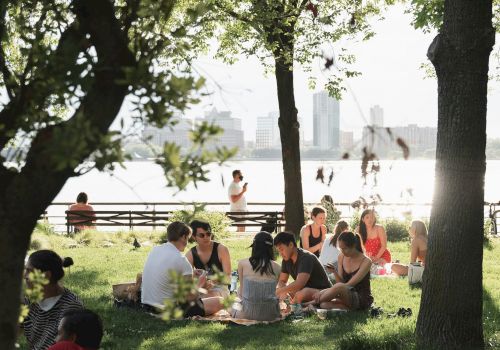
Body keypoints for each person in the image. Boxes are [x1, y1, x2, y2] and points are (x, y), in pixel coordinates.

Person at [141, 221, 223, 317]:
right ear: (184, 237)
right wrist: (201, 285)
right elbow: (189, 298)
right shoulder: (181, 260)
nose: (187, 242)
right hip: (168, 311)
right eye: (187, 238)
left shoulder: (155, 250)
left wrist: (190, 273)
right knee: (220, 301)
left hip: (147, 306)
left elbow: (166, 272)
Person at [22, 250, 84, 350]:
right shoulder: (29, 300)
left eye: (29, 271)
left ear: (46, 275)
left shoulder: (71, 308)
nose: (25, 276)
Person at [308, 231, 373, 311]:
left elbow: (348, 285)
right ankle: (348, 310)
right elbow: (340, 283)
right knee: (324, 305)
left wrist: (323, 292)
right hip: (346, 297)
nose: (342, 251)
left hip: (361, 298)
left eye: (345, 248)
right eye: (340, 248)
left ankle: (308, 304)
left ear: (353, 246)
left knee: (338, 288)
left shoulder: (366, 261)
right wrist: (334, 272)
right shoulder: (341, 256)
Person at [231, 231, 281, 321]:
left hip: (246, 314)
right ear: (271, 248)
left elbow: (241, 292)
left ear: (254, 246)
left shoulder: (242, 263)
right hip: (271, 314)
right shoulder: (278, 267)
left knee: (231, 302)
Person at [274, 232, 332, 303]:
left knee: (302, 293)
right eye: (278, 251)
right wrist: (282, 291)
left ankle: (295, 307)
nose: (280, 254)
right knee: (285, 290)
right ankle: (293, 306)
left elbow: (299, 284)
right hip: (305, 290)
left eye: (282, 249)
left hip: (323, 291)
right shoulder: (286, 260)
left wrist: (279, 291)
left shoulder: (306, 258)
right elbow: (282, 281)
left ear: (291, 245)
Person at [185, 220, 231, 298]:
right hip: (200, 287)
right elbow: (187, 280)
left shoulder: (221, 249)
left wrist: (212, 282)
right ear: (193, 236)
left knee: (208, 297)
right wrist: (199, 283)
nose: (206, 237)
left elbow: (228, 276)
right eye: (201, 235)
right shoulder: (190, 254)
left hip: (219, 287)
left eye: (208, 234)